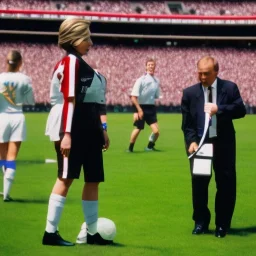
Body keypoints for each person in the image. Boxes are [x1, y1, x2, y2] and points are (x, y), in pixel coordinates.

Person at [43, 18, 110, 246]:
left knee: (93, 179)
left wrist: (102, 129)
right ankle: (50, 232)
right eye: (87, 37)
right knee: (66, 177)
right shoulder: (71, 62)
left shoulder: (78, 62)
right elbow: (69, 100)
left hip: (87, 124)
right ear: (74, 38)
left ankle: (92, 233)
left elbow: (91, 100)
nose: (90, 42)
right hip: (71, 124)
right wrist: (67, 134)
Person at [181, 56, 246, 238]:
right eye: (200, 73)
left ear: (216, 72)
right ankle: (201, 222)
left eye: (206, 74)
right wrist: (192, 141)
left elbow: (241, 109)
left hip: (223, 145)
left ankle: (222, 224)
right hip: (201, 146)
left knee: (225, 185)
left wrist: (220, 109)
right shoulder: (189, 93)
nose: (202, 77)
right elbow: (187, 124)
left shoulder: (229, 88)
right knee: (200, 185)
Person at [0, 50, 35, 202]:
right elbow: (30, 101)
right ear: (20, 62)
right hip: (17, 117)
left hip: (2, 118)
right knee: (11, 157)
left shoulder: (0, 78)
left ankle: (5, 188)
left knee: (2, 157)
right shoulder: (25, 79)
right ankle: (7, 193)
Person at [127, 58, 161, 152]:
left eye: (152, 65)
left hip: (151, 108)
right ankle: (130, 148)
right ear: (146, 67)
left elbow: (157, 95)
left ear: (155, 66)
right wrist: (137, 111)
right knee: (138, 128)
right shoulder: (141, 80)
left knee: (156, 132)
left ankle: (149, 147)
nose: (151, 66)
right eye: (149, 65)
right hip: (141, 107)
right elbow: (133, 97)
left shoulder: (157, 80)